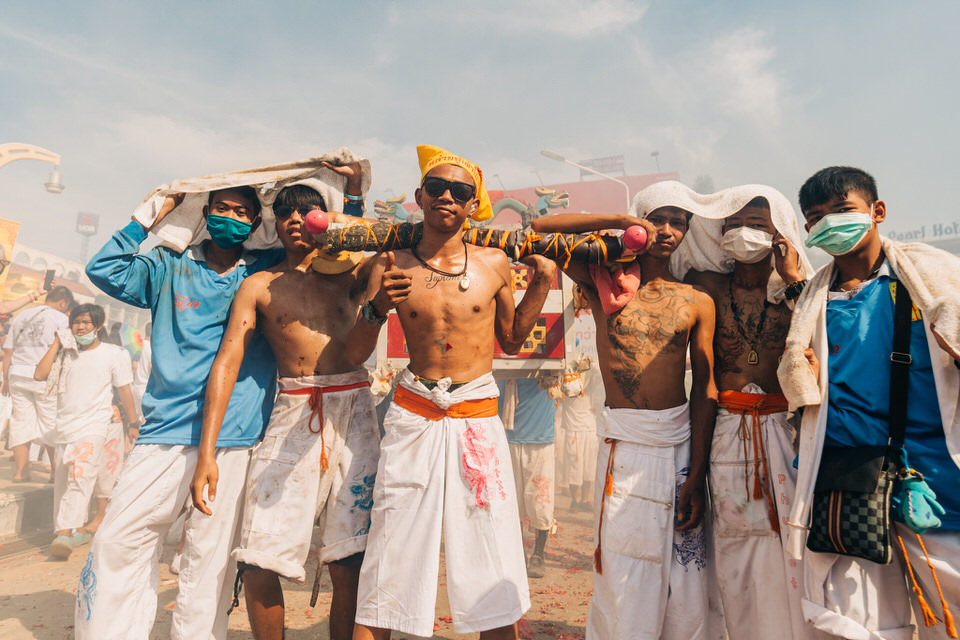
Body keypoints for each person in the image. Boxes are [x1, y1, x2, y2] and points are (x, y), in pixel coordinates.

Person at [352, 145, 556, 640]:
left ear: (472, 205)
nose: (447, 196)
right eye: (437, 188)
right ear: (420, 197)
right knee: (390, 551)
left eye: (460, 191)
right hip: (414, 416)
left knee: (491, 553)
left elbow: (511, 340)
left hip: (477, 420)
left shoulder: (493, 263)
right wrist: (379, 306)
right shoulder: (390, 262)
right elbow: (355, 350)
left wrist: (543, 283)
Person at [77, 186, 283, 639]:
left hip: (233, 433)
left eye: (243, 212)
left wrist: (349, 195)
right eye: (222, 209)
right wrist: (151, 216)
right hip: (165, 430)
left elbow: (325, 254)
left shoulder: (266, 272)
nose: (231, 217)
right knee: (119, 541)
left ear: (255, 222)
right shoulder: (168, 264)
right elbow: (103, 268)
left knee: (208, 562)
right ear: (205, 214)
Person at [190, 177, 380, 640]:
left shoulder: (353, 275)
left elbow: (386, 244)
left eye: (308, 211)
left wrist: (347, 205)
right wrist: (206, 453)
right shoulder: (259, 285)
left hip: (355, 411)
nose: (296, 218)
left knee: (349, 559)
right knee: (258, 557)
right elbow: (228, 361)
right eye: (287, 212)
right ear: (274, 225)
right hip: (293, 410)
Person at [530, 181, 718, 640]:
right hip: (625, 447)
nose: (668, 230)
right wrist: (616, 222)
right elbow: (538, 230)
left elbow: (705, 388)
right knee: (621, 565)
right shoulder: (602, 281)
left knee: (685, 577)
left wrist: (696, 472)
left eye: (678, 222)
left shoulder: (697, 300)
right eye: (658, 219)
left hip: (676, 447)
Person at [778, 166, 960, 639]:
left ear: (877, 212)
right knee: (861, 629)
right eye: (816, 218)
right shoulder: (813, 304)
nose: (828, 225)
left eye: (842, 211)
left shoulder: (932, 283)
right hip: (851, 490)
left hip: (937, 488)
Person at [678, 186, 819, 640]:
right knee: (734, 547)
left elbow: (828, 340)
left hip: (790, 434)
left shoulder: (803, 291)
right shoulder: (706, 285)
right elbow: (704, 387)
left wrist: (793, 276)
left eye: (758, 225)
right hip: (727, 434)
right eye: (734, 225)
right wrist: (695, 474)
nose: (744, 234)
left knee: (793, 548)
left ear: (780, 234)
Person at [34, 303, 138, 559]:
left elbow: (124, 389)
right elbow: (39, 374)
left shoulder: (113, 354)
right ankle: (70, 530)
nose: (80, 327)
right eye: (76, 322)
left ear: (98, 326)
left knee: (80, 477)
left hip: (94, 426)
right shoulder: (65, 354)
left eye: (86, 323)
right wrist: (58, 343)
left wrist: (133, 423)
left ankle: (65, 534)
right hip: (64, 427)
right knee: (63, 482)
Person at [2, 285, 74, 482]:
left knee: (20, 423)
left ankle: (21, 472)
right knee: (49, 423)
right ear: (63, 303)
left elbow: (9, 351)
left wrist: (6, 379)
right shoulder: (62, 319)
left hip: (17, 373)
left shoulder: (21, 316)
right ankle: (53, 473)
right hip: (44, 377)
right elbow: (68, 350)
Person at [498, 374, 557, 579]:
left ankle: (538, 555)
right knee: (510, 504)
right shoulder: (500, 349)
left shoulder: (544, 354)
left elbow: (571, 341)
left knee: (541, 502)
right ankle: (518, 553)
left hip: (540, 437)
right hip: (505, 437)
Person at [557, 361, 603, 512]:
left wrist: (590, 363)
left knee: (589, 468)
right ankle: (575, 501)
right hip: (574, 431)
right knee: (575, 469)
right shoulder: (566, 387)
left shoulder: (587, 388)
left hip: (589, 430)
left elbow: (599, 374)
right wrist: (571, 364)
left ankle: (584, 500)